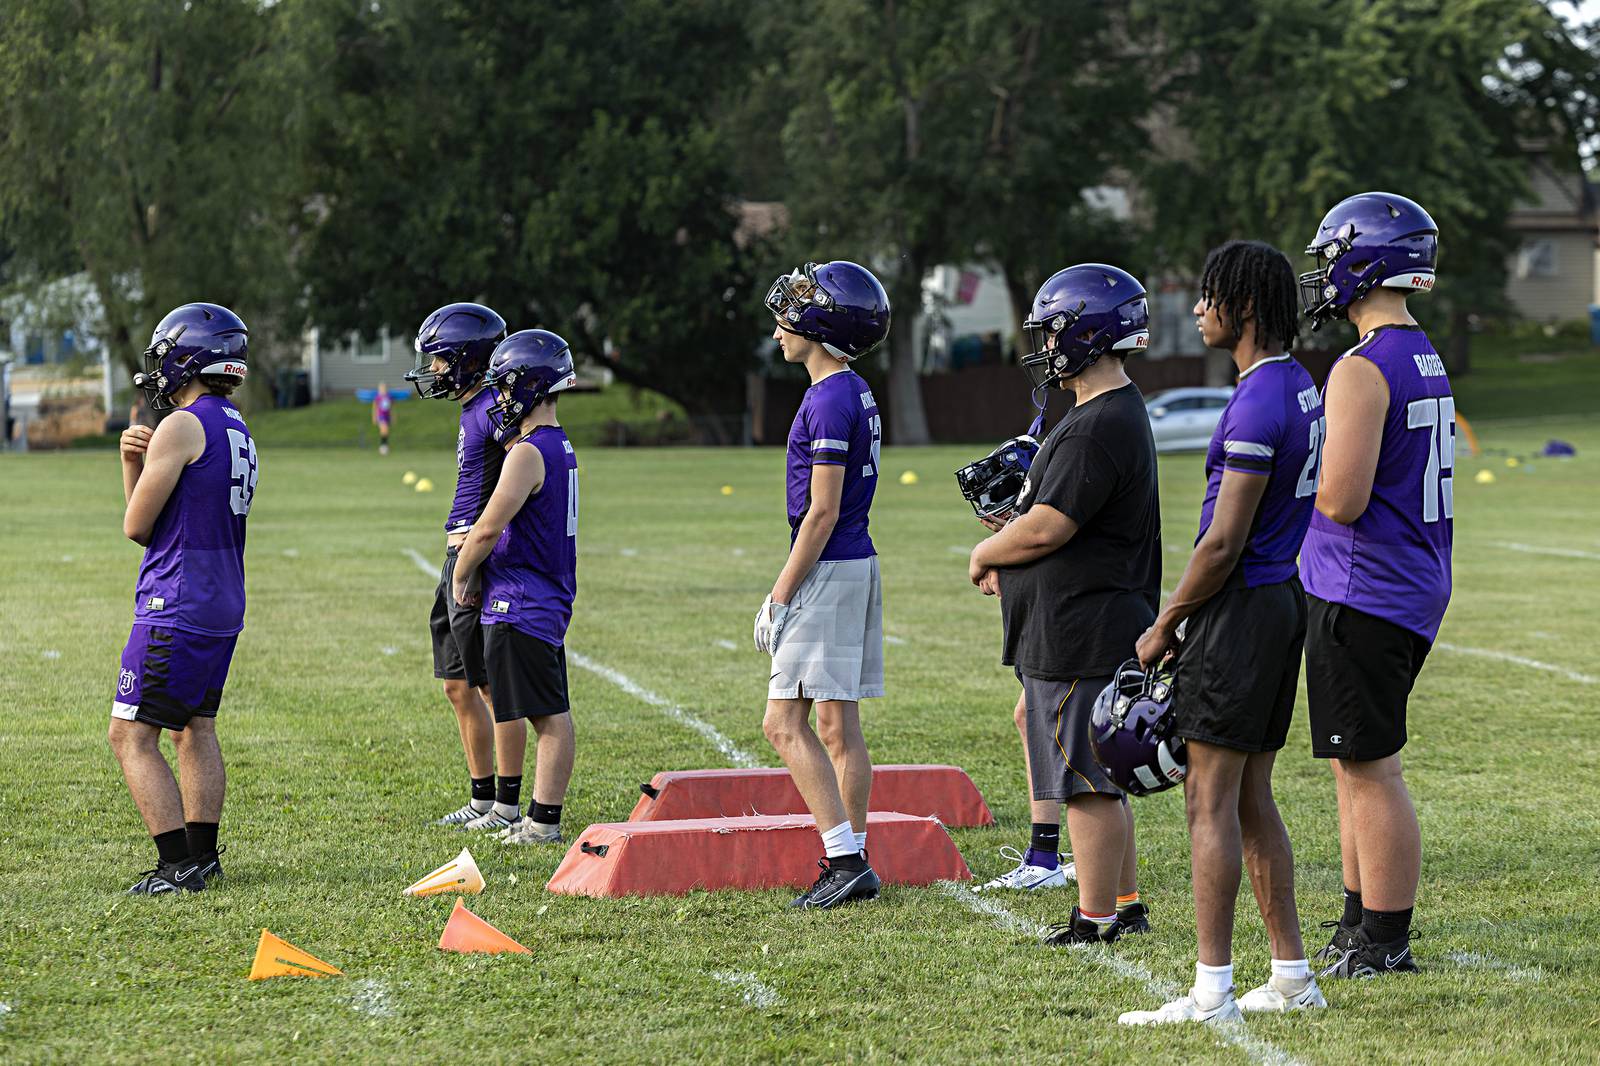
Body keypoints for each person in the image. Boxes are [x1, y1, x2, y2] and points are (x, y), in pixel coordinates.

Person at [1118, 241, 1325, 1025]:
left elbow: (1221, 541)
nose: (1199, 308)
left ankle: (1211, 991)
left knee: (1207, 798)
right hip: (1279, 603)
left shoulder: (1258, 400)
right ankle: (1293, 975)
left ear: (1244, 307)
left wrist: (1167, 621)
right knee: (1250, 797)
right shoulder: (1299, 384)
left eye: (1210, 296)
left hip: (1239, 609)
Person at [968, 263, 1158, 944]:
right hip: (1089, 619)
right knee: (1096, 772)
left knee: (1085, 781)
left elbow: (1053, 525)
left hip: (1084, 627)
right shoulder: (1100, 415)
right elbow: (1049, 518)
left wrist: (987, 554)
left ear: (1088, 334)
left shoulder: (1097, 423)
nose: (1046, 349)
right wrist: (1011, 545)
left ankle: (1097, 916)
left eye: (1054, 334)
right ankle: (1126, 904)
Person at [1298, 192, 1451, 978]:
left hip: (1368, 586)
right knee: (1351, 761)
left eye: (1331, 255)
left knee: (1371, 766)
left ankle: (1385, 939)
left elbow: (1340, 499)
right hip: (1405, 579)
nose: (1323, 272)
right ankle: (1360, 921)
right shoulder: (1422, 352)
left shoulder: (1362, 366)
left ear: (1364, 261)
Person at [109, 303, 257, 894]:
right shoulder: (235, 424)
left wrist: (131, 464)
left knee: (130, 735)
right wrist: (135, 463)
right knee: (196, 727)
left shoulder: (181, 424)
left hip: (178, 600)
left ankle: (176, 867)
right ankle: (202, 856)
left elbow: (138, 525)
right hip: (221, 599)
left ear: (184, 358)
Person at [757, 261, 890, 910]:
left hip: (830, 567)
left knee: (783, 722)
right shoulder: (847, 389)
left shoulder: (830, 396)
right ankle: (854, 856)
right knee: (837, 724)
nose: (781, 323)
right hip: (851, 563)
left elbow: (823, 510)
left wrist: (781, 592)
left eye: (796, 309)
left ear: (824, 322)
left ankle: (843, 858)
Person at [451, 330, 579, 846]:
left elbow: (487, 527)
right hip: (539, 595)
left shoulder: (528, 452)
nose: (499, 400)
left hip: (523, 599)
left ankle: (542, 821)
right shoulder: (560, 444)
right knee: (547, 711)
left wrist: (462, 573)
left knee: (548, 716)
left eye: (504, 389)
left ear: (528, 387)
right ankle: (533, 815)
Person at [402, 302, 510, 827]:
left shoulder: (495, 409)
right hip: (455, 553)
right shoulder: (473, 407)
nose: (434, 371)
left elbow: (522, 474)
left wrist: (480, 549)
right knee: (456, 683)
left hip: (477, 555)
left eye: (441, 361)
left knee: (488, 683)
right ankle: (482, 797)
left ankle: (508, 804)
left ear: (469, 359)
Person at [956, 435, 1078, 892]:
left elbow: (1038, 544)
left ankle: (1055, 856)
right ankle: (1046, 852)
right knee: (1031, 715)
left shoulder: (1056, 512)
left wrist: (988, 558)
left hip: (1077, 623)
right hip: (1060, 615)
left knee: (1078, 728)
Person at [373, 380, 393, 455]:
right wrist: (374, 416)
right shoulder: (378, 397)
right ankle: (383, 447)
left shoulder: (389, 397)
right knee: (384, 430)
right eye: (381, 388)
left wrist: (392, 416)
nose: (383, 389)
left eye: (384, 388)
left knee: (385, 432)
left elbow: (390, 408)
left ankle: (384, 445)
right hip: (381, 416)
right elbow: (375, 407)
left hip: (387, 416)